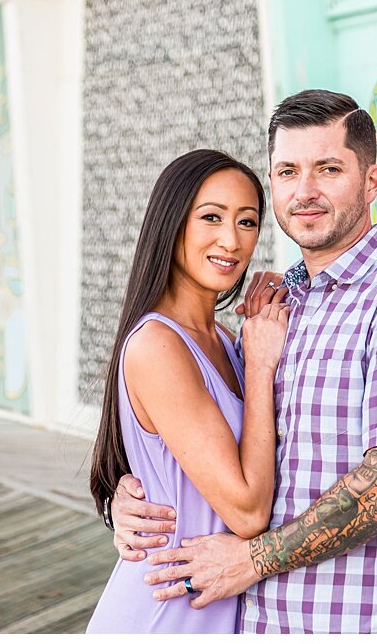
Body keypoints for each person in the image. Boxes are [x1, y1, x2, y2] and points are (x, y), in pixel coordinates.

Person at [107, 90, 377, 633]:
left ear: (372, 181)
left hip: (358, 621)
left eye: (328, 168)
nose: (305, 191)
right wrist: (133, 497)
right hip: (249, 618)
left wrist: (251, 560)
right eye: (287, 171)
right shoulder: (274, 311)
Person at [85, 150, 288, 633]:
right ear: (172, 223)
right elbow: (247, 510)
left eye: (247, 222)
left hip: (210, 612)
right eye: (211, 218)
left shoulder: (224, 339)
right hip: (163, 613)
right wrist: (260, 365)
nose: (231, 240)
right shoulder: (159, 346)